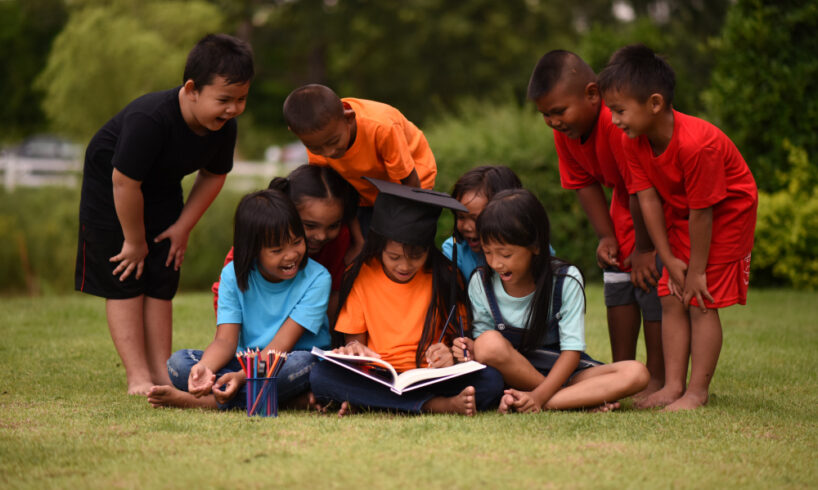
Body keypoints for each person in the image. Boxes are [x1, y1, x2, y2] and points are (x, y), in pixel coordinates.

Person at [74, 34, 254, 395]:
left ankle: (161, 372)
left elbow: (214, 175)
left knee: (162, 273)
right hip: (114, 188)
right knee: (127, 273)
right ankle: (137, 376)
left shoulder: (223, 127)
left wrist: (182, 228)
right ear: (192, 89)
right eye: (224, 100)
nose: (232, 109)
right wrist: (134, 241)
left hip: (161, 187)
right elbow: (124, 183)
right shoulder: (150, 119)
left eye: (241, 99)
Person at [597, 44, 758, 411]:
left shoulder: (698, 145)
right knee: (670, 294)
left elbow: (705, 212)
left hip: (726, 212)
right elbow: (648, 199)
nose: (615, 120)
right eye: (611, 111)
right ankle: (672, 386)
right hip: (686, 211)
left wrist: (697, 271)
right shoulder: (631, 141)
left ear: (654, 103)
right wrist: (667, 259)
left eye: (620, 110)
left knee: (700, 298)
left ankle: (697, 393)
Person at [527, 50, 664, 397]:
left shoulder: (616, 124)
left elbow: (640, 189)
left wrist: (645, 249)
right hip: (625, 204)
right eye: (546, 115)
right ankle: (620, 372)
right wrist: (607, 236)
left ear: (592, 94)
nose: (554, 122)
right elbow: (583, 184)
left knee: (649, 285)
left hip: (655, 208)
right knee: (617, 280)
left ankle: (658, 378)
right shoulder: (567, 135)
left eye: (559, 111)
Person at [309, 178, 504, 416]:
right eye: (394, 256)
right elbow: (354, 343)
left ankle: (373, 403)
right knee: (321, 376)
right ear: (380, 246)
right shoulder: (361, 274)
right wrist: (353, 350)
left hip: (430, 376)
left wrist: (449, 355)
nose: (404, 265)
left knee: (491, 380)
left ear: (428, 249)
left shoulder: (445, 275)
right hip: (379, 377)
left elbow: (458, 342)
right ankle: (437, 406)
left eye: (416, 256)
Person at [452, 189, 649, 413]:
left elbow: (572, 352)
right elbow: (486, 350)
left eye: (506, 255)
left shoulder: (565, 279)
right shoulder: (482, 281)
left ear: (535, 246)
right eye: (488, 252)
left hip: (565, 372)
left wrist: (539, 395)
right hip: (511, 373)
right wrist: (471, 347)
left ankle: (537, 401)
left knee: (636, 373)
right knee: (487, 343)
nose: (496, 263)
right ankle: (577, 400)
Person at [147, 189, 332, 410]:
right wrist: (205, 368)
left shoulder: (318, 278)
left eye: (296, 242)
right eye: (277, 249)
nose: (291, 255)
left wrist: (240, 378)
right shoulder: (232, 275)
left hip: (286, 362)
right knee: (180, 364)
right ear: (252, 251)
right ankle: (286, 401)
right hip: (246, 364)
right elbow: (225, 342)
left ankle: (204, 402)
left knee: (302, 364)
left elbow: (280, 348)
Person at [282, 84, 438, 259]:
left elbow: (410, 185)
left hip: (410, 185)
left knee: (398, 249)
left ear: (348, 118)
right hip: (363, 186)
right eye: (315, 148)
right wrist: (358, 242)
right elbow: (339, 194)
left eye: (334, 141)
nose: (328, 153)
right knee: (367, 251)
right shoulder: (317, 137)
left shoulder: (382, 127)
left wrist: (400, 231)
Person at [212, 164, 358, 326]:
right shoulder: (260, 240)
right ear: (286, 213)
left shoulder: (338, 241)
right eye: (309, 225)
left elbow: (334, 294)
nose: (321, 236)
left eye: (333, 226)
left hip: (307, 333)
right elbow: (227, 292)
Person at [442, 165, 524, 280]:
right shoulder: (455, 252)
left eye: (476, 219)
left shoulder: (529, 250)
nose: (467, 227)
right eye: (460, 217)